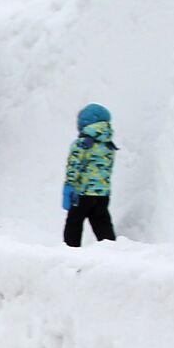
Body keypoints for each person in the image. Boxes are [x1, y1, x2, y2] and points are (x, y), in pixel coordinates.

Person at [63, 103, 119, 247]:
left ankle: (70, 251)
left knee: (74, 223)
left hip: (82, 193)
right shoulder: (109, 145)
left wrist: (69, 186)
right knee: (102, 224)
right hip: (102, 194)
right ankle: (112, 251)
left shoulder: (82, 143)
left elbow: (73, 167)